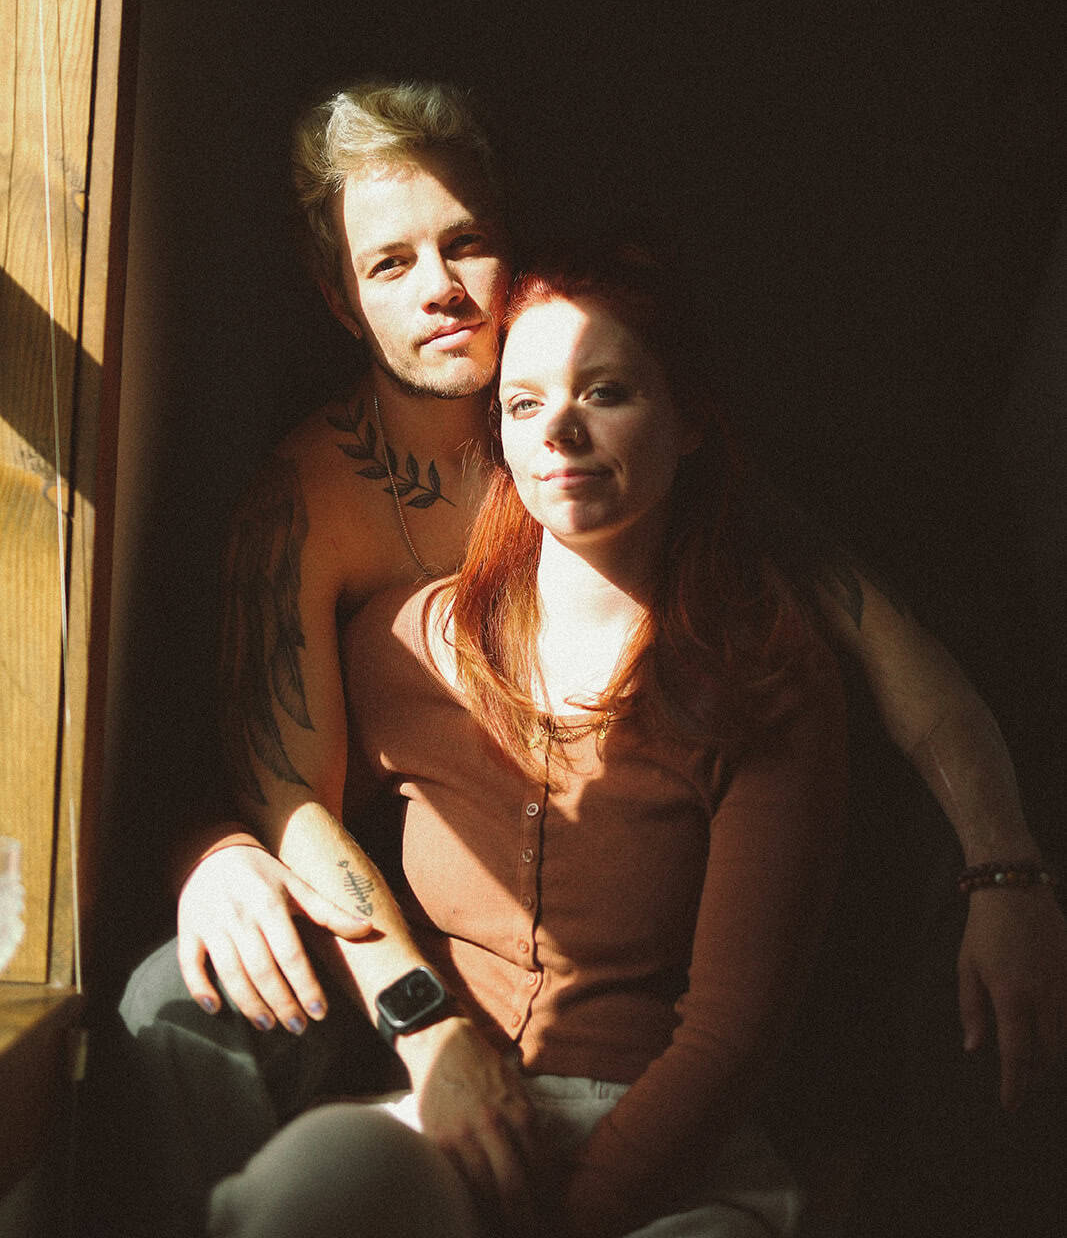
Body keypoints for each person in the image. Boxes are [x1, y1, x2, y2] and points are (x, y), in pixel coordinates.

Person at [162, 77, 1066, 1125]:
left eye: (465, 243)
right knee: (175, 1016)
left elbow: (885, 639)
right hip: (423, 928)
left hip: (671, 923)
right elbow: (287, 794)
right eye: (390, 263)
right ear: (339, 299)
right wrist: (402, 1002)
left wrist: (1006, 873)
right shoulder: (305, 502)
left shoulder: (609, 432)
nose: (441, 289)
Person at [202, 248, 849, 1238]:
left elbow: (729, 1039)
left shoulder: (764, 671)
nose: (560, 431)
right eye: (523, 402)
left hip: (674, 1161)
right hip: (449, 1121)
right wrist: (219, 857)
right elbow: (269, 796)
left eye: (608, 391)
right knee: (308, 1189)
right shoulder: (410, 643)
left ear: (687, 422)